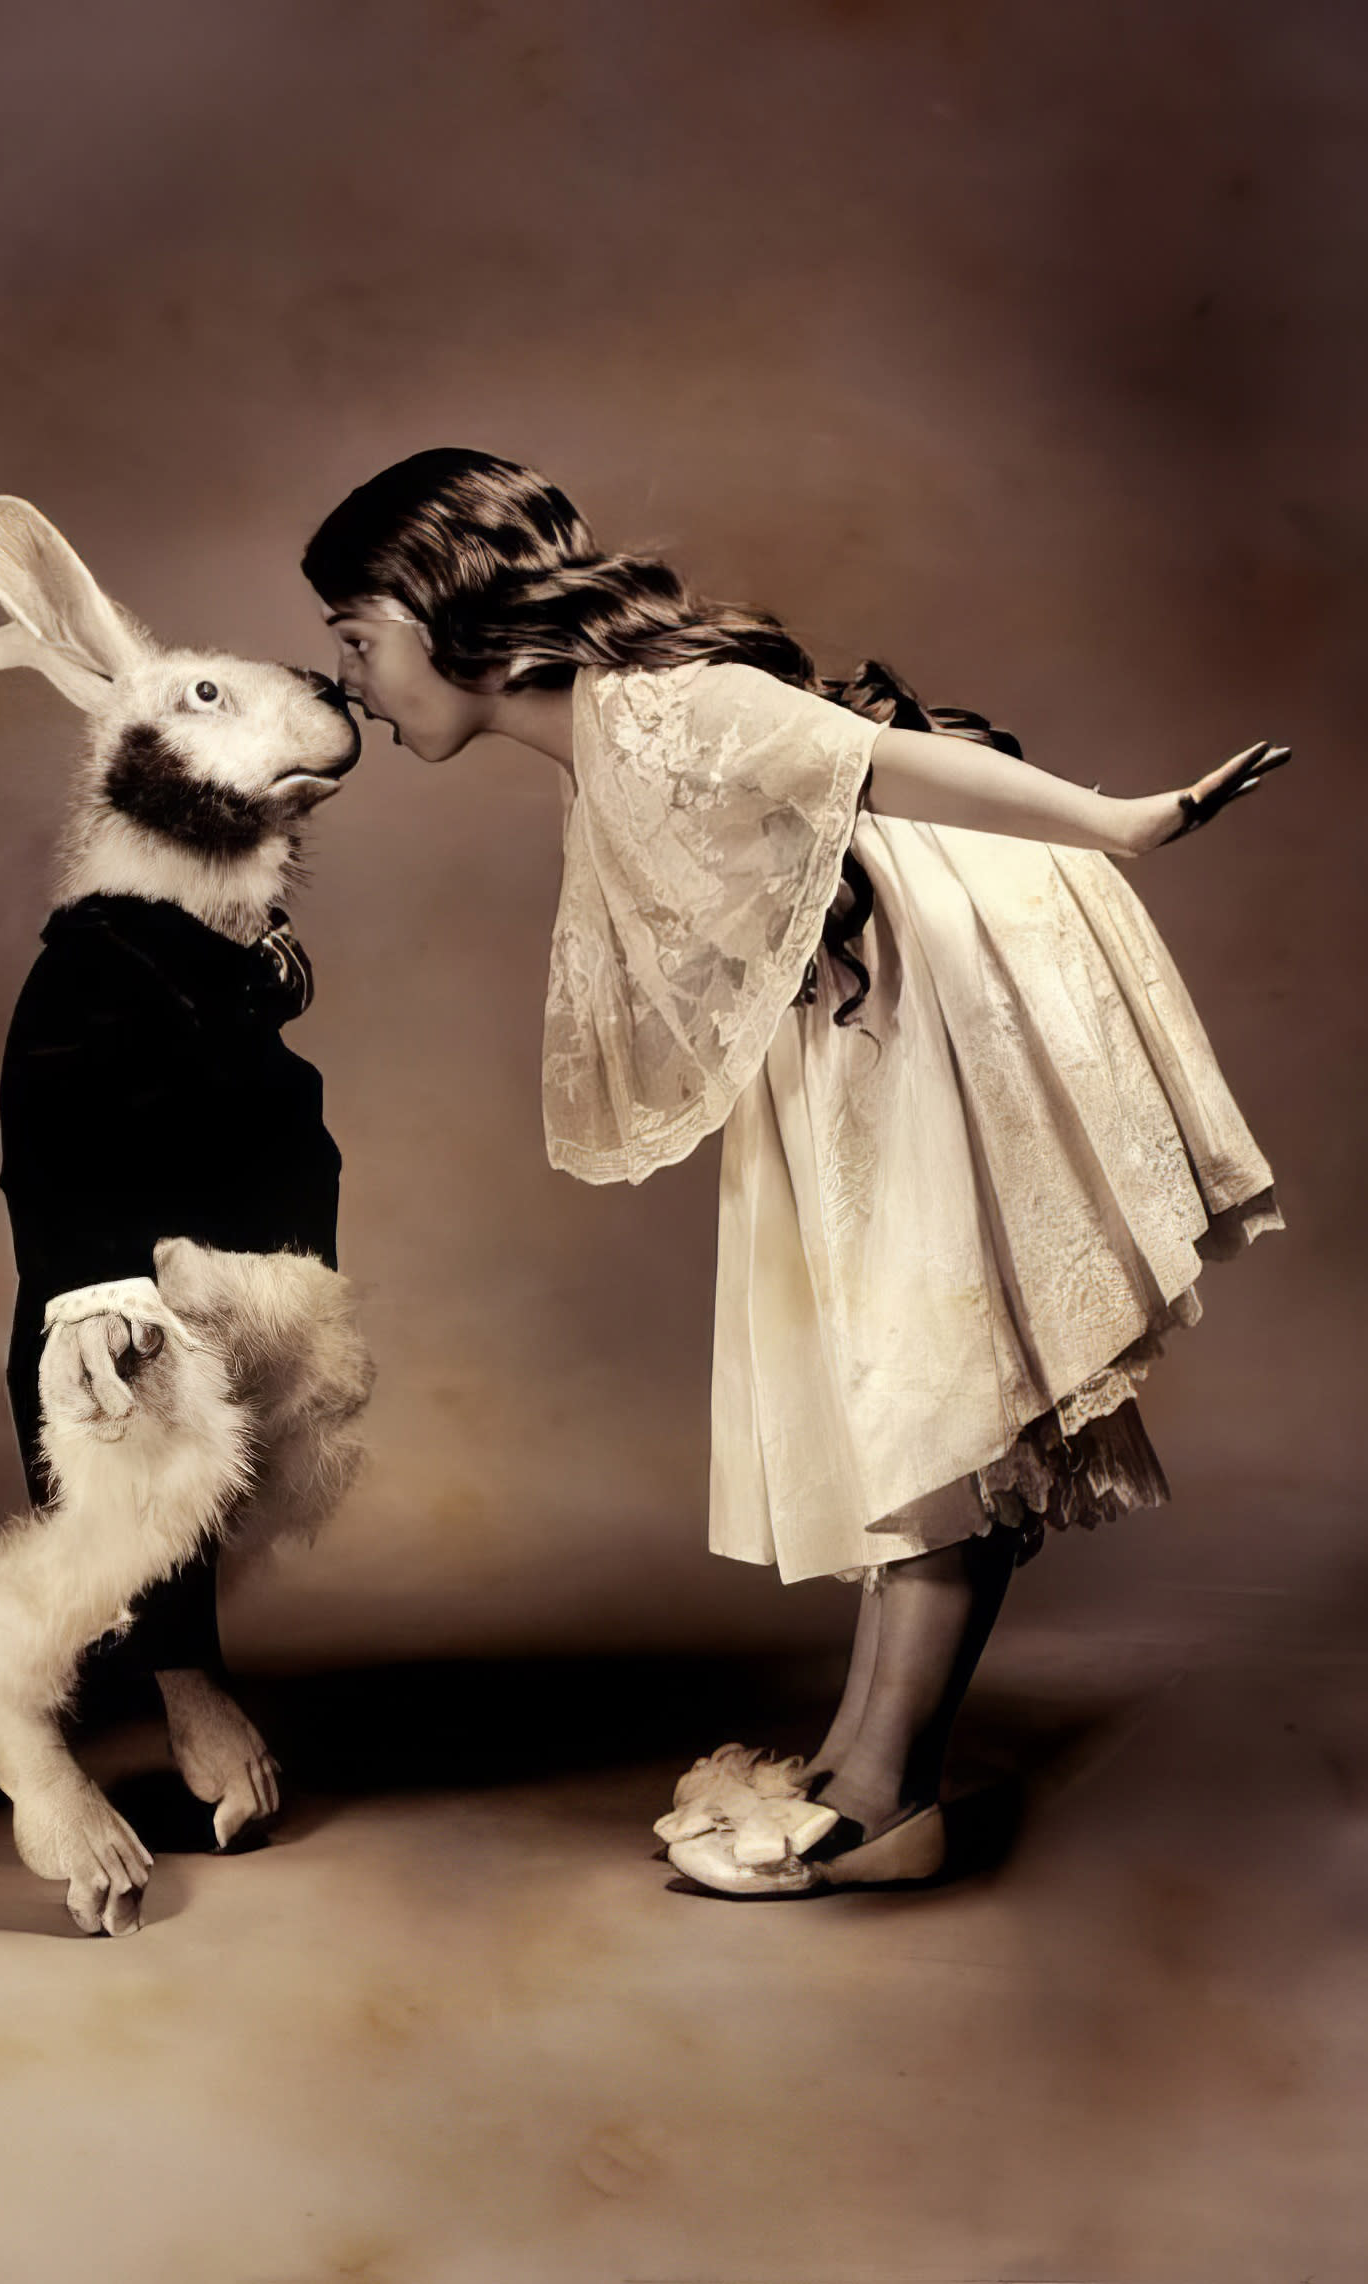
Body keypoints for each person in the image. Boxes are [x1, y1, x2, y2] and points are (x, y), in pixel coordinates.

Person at [301, 447, 1287, 1898]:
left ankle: (888, 1792)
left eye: (355, 639)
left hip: (936, 1011)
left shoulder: (666, 704)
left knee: (938, 1385)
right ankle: (864, 1767)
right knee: (899, 1385)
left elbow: (875, 761)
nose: (349, 681)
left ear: (450, 613)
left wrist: (1124, 821)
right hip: (863, 1022)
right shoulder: (602, 735)